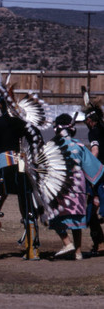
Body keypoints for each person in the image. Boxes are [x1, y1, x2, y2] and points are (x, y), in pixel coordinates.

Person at [0, 96, 40, 260]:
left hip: (5, 167)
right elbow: (37, 142)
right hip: (22, 166)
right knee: (26, 207)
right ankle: (32, 251)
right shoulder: (24, 123)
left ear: (1, 105)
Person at [49, 113, 104, 260]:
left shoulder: (51, 146)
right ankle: (78, 252)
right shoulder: (79, 146)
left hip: (59, 186)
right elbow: (93, 168)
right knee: (77, 219)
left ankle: (67, 243)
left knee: (54, 215)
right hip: (78, 187)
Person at [83, 104, 104, 255]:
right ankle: (100, 244)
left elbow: (95, 150)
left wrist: (87, 167)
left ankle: (100, 243)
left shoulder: (95, 133)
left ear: (90, 120)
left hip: (100, 175)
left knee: (91, 211)